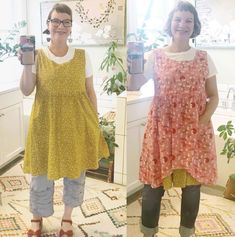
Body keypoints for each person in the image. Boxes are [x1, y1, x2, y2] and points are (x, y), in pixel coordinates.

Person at [18, 3, 109, 237]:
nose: (60, 26)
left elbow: (90, 92)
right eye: (55, 21)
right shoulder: (37, 55)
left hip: (77, 124)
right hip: (44, 124)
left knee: (75, 174)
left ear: (71, 28)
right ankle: (36, 216)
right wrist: (26, 66)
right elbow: (26, 90)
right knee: (39, 173)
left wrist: (95, 125)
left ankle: (67, 218)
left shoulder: (82, 56)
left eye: (65, 22)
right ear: (48, 25)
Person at [129, 1, 219, 237]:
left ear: (194, 26)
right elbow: (134, 86)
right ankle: (148, 232)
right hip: (161, 130)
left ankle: (186, 232)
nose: (183, 24)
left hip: (193, 132)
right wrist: (133, 68)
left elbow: (214, 96)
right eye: (178, 19)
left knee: (191, 188)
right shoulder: (155, 57)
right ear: (170, 24)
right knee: (152, 187)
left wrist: (202, 122)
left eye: (188, 20)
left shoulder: (203, 58)